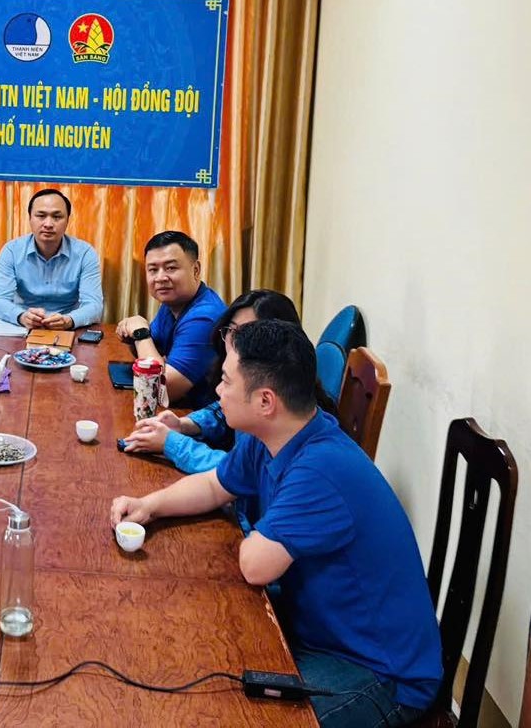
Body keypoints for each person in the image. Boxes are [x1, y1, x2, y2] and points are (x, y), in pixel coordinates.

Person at [110, 321, 442, 727]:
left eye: (226, 381)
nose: (218, 391)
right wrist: (149, 506)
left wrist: (254, 527)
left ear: (265, 401)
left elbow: (255, 565)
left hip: (379, 672)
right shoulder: (271, 435)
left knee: (232, 711)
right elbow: (215, 485)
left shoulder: (321, 469)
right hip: (317, 629)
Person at [122, 289, 305, 473]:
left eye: (246, 333)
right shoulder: (243, 369)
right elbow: (225, 409)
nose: (233, 340)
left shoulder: (281, 399)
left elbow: (245, 473)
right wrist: (184, 425)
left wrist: (172, 444)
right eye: (231, 330)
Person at [115, 230, 226, 406]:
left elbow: (163, 391)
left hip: (198, 415)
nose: (160, 278)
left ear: (196, 270)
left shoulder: (204, 317)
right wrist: (135, 336)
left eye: (171, 268)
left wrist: (140, 333)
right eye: (153, 270)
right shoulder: (173, 303)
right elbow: (153, 352)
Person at [0, 188, 104, 330]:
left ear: (67, 221)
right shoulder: (11, 251)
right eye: (41, 216)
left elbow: (94, 305)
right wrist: (21, 316)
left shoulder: (85, 253)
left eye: (57, 217)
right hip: (23, 327)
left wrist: (69, 320)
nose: (48, 224)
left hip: (67, 327)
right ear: (30, 218)